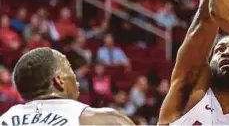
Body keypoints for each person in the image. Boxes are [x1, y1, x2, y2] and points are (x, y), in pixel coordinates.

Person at [0, 47, 135, 125]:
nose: (76, 81)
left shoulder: (4, 119)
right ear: (59, 80)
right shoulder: (101, 118)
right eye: (70, 70)